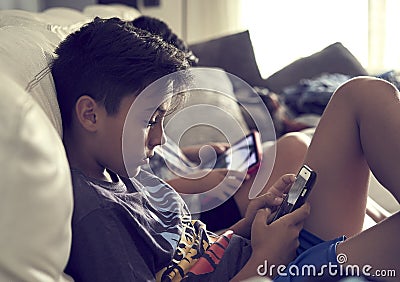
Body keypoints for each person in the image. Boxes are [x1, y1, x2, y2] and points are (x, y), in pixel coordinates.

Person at [52, 17, 399, 282]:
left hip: (268, 253)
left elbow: (194, 251)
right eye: (149, 121)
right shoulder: (95, 214)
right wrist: (264, 260)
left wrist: (247, 225)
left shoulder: (129, 173)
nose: (159, 139)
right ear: (90, 114)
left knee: (362, 94)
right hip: (271, 272)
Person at [132, 15, 311, 231]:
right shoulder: (126, 132)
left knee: (294, 153)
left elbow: (158, 159)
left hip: (203, 178)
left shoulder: (150, 122)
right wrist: (202, 180)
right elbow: (137, 198)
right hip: (202, 207)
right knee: (296, 148)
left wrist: (190, 153)